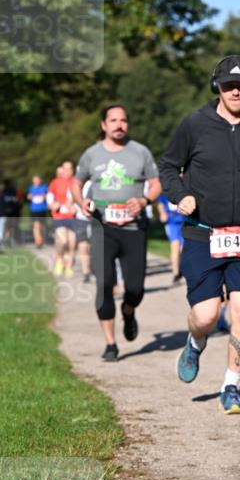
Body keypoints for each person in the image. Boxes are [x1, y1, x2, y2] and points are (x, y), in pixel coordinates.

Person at [159, 56, 240, 415]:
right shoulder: (195, 123)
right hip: (203, 234)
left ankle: (231, 387)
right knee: (206, 316)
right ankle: (195, 342)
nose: (235, 92)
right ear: (217, 87)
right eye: (227, 86)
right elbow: (168, 167)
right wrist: (179, 195)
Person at [71, 105, 161, 361]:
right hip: (103, 228)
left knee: (135, 288)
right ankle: (110, 343)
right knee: (104, 284)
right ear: (104, 125)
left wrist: (144, 200)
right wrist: (81, 202)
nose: (119, 125)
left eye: (123, 120)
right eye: (113, 120)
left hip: (134, 228)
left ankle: (129, 311)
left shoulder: (140, 152)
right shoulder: (91, 154)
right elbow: (77, 183)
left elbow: (156, 183)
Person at [47, 161, 78, 277]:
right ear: (62, 169)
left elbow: (82, 198)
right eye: (65, 169)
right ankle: (59, 260)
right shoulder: (56, 182)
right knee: (63, 240)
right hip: (59, 216)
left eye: (69, 169)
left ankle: (68, 266)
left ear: (73, 170)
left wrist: (76, 207)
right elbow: (50, 197)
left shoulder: (76, 182)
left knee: (72, 244)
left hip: (73, 217)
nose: (67, 171)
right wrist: (52, 205)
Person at [157, 195, 185, 284]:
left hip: (184, 221)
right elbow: (161, 203)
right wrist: (162, 213)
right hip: (172, 223)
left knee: (183, 249)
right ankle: (176, 273)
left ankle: (183, 270)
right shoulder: (165, 193)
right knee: (175, 247)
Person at [27, 174, 49, 247]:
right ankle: (38, 242)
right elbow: (28, 197)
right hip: (34, 210)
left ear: (40, 180)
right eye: (34, 180)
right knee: (36, 225)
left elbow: (49, 196)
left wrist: (44, 196)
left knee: (42, 226)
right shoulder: (31, 188)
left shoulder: (44, 187)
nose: (36, 181)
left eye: (37, 180)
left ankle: (41, 239)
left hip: (42, 209)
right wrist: (29, 196)